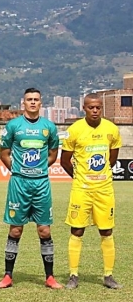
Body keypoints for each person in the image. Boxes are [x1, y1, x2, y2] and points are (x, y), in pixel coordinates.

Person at [0, 88, 63, 289]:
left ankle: (50, 277)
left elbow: (53, 153)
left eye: (36, 99)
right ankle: (8, 276)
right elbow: (4, 153)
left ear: (41, 103)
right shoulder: (13, 125)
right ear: (23, 102)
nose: (32, 102)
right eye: (29, 99)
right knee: (16, 230)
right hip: (19, 184)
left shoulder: (49, 127)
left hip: (41, 184)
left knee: (44, 230)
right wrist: (17, 170)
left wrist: (39, 169)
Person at [60, 94, 122, 289]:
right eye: (91, 107)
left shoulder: (111, 129)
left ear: (101, 108)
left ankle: (108, 275)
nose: (95, 111)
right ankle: (73, 275)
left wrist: (100, 176)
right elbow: (65, 161)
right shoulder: (74, 130)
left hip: (104, 189)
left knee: (106, 230)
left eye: (98, 107)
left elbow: (112, 159)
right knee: (77, 230)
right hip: (82, 190)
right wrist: (80, 178)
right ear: (84, 108)